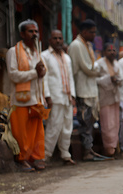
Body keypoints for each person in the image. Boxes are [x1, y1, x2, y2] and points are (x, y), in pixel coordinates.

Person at [6, 19, 46, 171]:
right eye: (31, 31)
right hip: (21, 99)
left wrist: (41, 73)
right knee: (21, 132)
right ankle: (21, 159)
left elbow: (42, 74)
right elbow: (13, 75)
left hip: (37, 98)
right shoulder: (13, 51)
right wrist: (35, 73)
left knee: (36, 131)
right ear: (22, 34)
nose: (35, 34)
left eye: (36, 31)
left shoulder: (37, 51)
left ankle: (36, 158)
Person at [68, 19, 107, 161]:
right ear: (84, 32)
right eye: (92, 32)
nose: (94, 35)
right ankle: (87, 152)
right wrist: (98, 69)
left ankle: (89, 150)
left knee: (89, 123)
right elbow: (89, 68)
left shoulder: (88, 45)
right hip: (82, 90)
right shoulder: (76, 45)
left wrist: (96, 68)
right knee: (84, 123)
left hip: (90, 89)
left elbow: (92, 67)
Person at [41, 29, 76, 165]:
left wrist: (72, 95)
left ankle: (65, 154)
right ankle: (45, 155)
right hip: (55, 97)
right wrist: (47, 96)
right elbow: (44, 78)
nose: (58, 41)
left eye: (60, 38)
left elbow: (71, 78)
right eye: (55, 38)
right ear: (50, 40)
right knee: (53, 127)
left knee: (67, 127)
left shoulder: (67, 57)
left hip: (67, 97)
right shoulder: (45, 56)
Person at [96, 43, 123, 157]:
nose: (112, 52)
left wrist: (117, 80)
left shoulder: (116, 64)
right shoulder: (98, 64)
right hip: (104, 98)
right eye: (109, 50)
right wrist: (108, 79)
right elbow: (95, 80)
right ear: (104, 52)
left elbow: (122, 78)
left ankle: (113, 147)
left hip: (115, 97)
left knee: (115, 123)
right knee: (107, 125)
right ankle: (108, 149)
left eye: (113, 50)